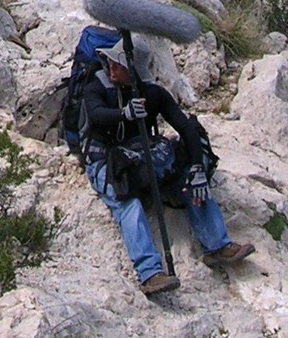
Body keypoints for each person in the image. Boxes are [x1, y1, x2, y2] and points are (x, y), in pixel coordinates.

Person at [82, 37, 254, 296]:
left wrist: (197, 168)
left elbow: (186, 128)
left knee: (189, 180)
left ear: (134, 71)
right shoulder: (97, 85)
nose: (111, 68)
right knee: (127, 201)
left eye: (117, 64)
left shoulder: (153, 94)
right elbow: (95, 114)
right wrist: (123, 114)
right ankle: (150, 272)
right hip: (106, 159)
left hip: (140, 155)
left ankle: (218, 245)